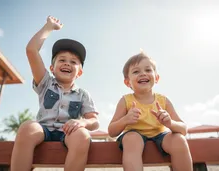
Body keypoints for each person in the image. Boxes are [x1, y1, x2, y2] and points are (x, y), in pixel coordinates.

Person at [10, 16, 99, 171]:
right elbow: (31, 51)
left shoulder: (83, 94)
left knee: (82, 135)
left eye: (73, 62)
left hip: (69, 134)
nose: (67, 63)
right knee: (27, 127)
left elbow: (94, 121)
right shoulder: (45, 82)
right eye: (62, 60)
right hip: (43, 131)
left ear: (80, 72)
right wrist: (49, 27)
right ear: (52, 68)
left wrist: (82, 123)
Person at [108, 52, 192, 171]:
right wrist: (125, 120)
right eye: (136, 71)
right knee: (132, 139)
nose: (143, 73)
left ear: (156, 78)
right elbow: (112, 131)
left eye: (148, 70)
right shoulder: (125, 101)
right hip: (133, 135)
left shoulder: (163, 100)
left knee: (179, 140)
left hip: (160, 135)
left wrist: (170, 123)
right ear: (127, 82)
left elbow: (183, 129)